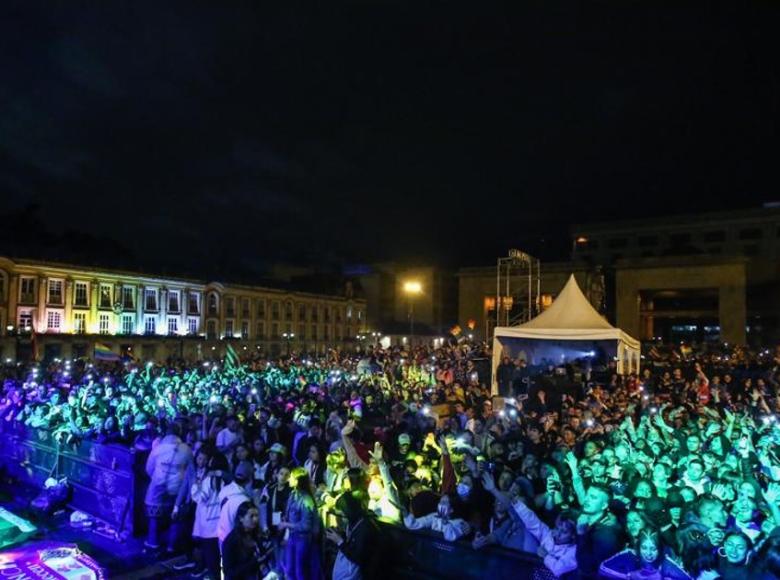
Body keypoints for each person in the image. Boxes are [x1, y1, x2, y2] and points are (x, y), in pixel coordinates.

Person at [144, 421, 193, 551]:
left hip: (159, 485)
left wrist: (157, 477)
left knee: (154, 516)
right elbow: (190, 471)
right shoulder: (187, 449)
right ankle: (171, 546)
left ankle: (153, 542)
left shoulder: (159, 448)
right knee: (175, 517)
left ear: (166, 433)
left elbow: (149, 468)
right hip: (177, 487)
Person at [326, 491, 382, 580]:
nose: (341, 519)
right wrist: (341, 535)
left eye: (343, 515)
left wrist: (339, 541)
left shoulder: (365, 527)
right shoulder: (354, 522)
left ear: (349, 511)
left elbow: (357, 557)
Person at [600, 528, 691, 579]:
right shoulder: (628, 555)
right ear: (638, 547)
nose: (648, 553)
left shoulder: (665, 563)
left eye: (653, 549)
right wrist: (627, 576)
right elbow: (603, 568)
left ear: (660, 548)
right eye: (644, 548)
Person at [280, 467, 321, 580]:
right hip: (293, 537)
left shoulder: (306, 500)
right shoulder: (292, 495)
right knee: (289, 569)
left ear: (298, 481)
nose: (288, 480)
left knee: (300, 571)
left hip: (303, 539)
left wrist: (286, 525)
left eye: (291, 478)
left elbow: (306, 526)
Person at [221, 501, 264, 580]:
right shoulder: (231, 541)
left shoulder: (256, 534)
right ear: (241, 518)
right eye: (251, 516)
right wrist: (253, 563)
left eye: (256, 516)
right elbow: (229, 571)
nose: (255, 519)